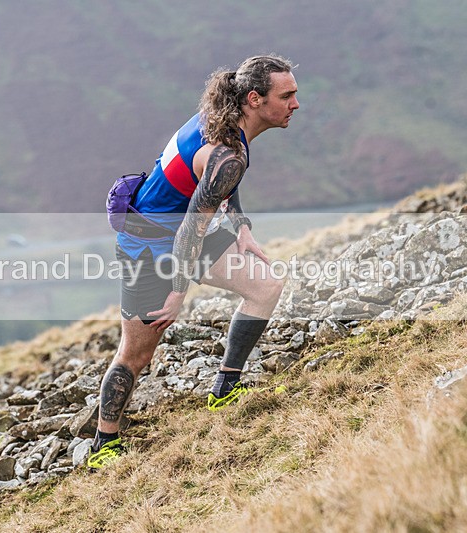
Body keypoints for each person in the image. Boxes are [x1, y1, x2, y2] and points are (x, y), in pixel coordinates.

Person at [87, 54, 300, 469]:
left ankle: (225, 387)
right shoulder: (229, 153)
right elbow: (191, 227)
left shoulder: (223, 120)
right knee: (136, 355)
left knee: (265, 285)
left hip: (181, 231)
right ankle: (103, 444)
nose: (295, 104)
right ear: (255, 99)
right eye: (287, 95)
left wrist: (240, 225)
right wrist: (178, 293)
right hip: (147, 247)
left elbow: (218, 184)